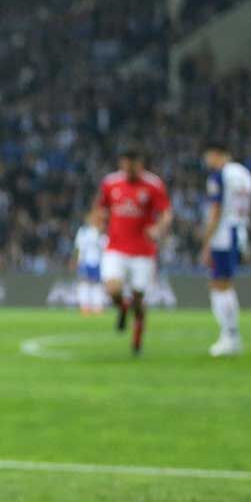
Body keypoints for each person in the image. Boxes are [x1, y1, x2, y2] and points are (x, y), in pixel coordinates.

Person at [91, 150, 172, 356]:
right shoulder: (111, 183)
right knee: (112, 289)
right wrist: (99, 221)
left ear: (140, 164)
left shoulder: (153, 185)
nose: (128, 168)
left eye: (132, 164)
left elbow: (166, 212)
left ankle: (137, 338)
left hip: (143, 251)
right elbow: (101, 206)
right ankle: (123, 307)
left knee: (138, 297)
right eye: (125, 164)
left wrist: (158, 229)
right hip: (115, 247)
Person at [200, 143, 251, 357]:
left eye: (208, 156)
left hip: (223, 234)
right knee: (225, 284)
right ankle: (231, 335)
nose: (207, 161)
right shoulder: (244, 174)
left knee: (219, 285)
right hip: (239, 231)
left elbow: (216, 209)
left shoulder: (219, 175)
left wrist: (206, 241)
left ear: (216, 154)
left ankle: (230, 336)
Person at [72, 210, 108, 315]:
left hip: (98, 261)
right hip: (85, 261)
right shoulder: (83, 231)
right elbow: (78, 247)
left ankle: (98, 305)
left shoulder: (101, 232)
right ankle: (85, 305)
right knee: (84, 283)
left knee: (97, 284)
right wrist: (76, 260)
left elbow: (105, 246)